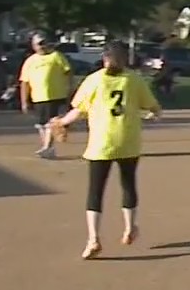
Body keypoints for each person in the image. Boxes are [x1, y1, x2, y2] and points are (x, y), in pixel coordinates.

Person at [50, 41, 162, 259]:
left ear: (104, 59)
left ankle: (93, 239)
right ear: (125, 60)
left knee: (95, 191)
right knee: (128, 184)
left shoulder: (93, 80)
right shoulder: (134, 80)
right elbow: (154, 107)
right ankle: (129, 228)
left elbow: (78, 110)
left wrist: (62, 122)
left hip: (101, 143)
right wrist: (153, 113)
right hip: (128, 141)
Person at [19, 32, 72, 159]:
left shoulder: (56, 56)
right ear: (33, 46)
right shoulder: (30, 61)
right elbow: (24, 82)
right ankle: (48, 148)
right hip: (38, 97)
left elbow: (68, 72)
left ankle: (47, 147)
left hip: (56, 95)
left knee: (51, 122)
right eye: (39, 44)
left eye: (44, 43)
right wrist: (24, 102)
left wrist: (69, 89)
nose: (42, 46)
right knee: (42, 125)